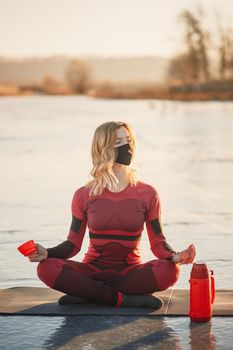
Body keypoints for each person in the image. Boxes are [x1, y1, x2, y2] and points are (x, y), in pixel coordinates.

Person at [28, 121, 196, 309]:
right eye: (118, 142)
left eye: (129, 140)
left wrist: (174, 257)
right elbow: (73, 244)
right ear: (103, 149)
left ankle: (88, 293)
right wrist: (48, 253)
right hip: (92, 269)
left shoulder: (148, 193)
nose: (128, 147)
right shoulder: (83, 194)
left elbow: (158, 242)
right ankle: (122, 299)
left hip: (130, 272)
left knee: (169, 271)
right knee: (46, 268)